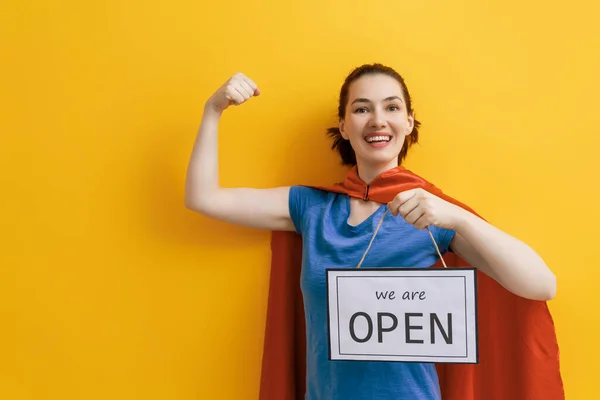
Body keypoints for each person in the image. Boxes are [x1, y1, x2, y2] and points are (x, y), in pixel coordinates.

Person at [184, 64, 557, 399]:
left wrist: (459, 219)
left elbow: (541, 284)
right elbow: (204, 197)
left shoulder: (432, 215)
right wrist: (212, 111)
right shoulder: (312, 208)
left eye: (391, 107)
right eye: (362, 109)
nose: (378, 120)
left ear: (409, 122)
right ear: (344, 126)